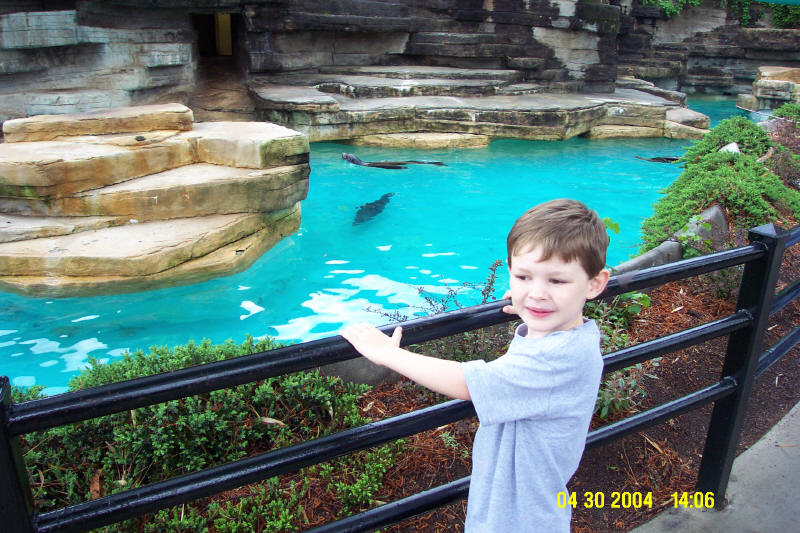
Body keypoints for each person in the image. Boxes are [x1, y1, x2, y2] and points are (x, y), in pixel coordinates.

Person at [340, 198, 610, 532]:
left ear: (594, 284)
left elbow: (467, 382)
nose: (537, 293)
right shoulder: (572, 337)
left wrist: (389, 355)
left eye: (557, 281)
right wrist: (531, 310)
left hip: (519, 521)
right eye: (524, 277)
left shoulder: (559, 359)